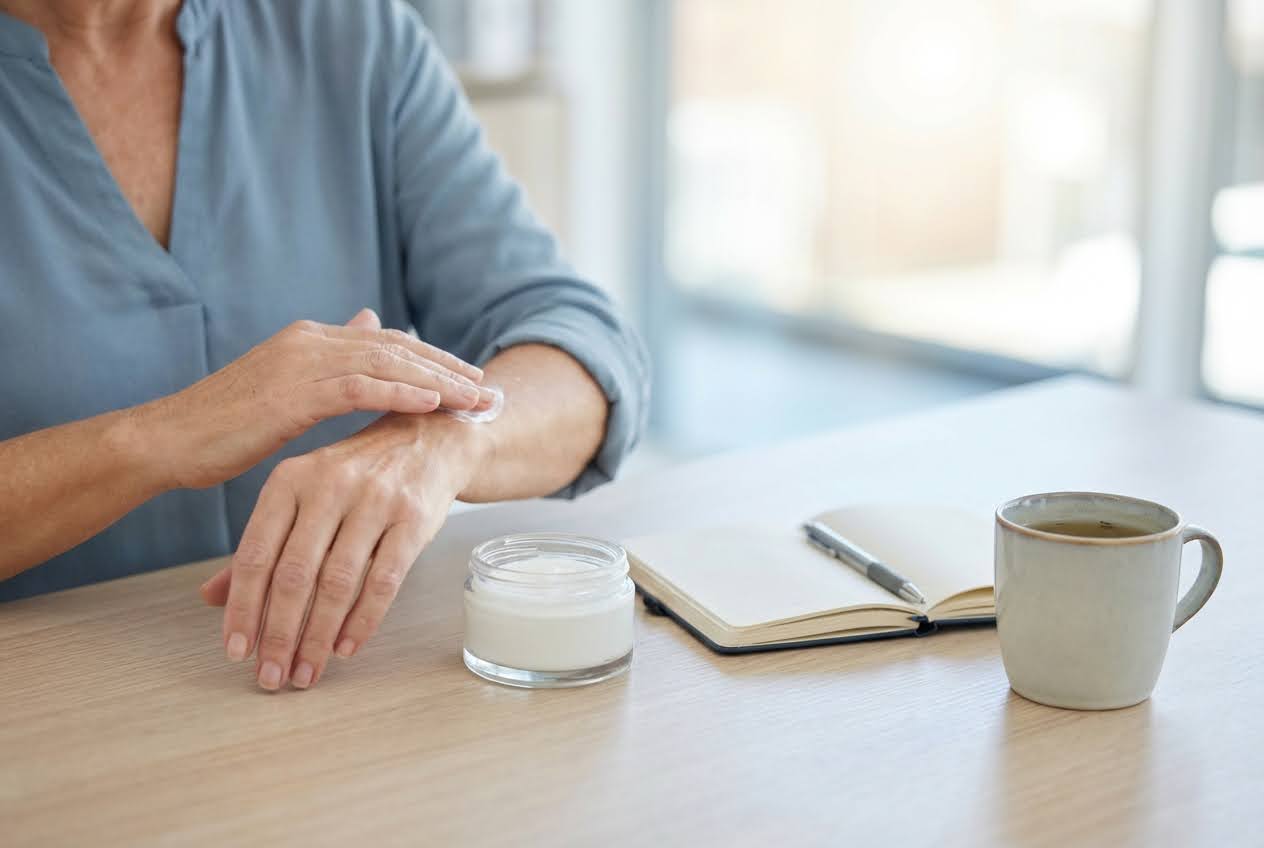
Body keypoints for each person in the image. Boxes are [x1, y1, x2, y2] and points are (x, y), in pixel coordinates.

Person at [0, 0, 649, 692]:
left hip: (350, 698)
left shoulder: (350, 33)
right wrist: (160, 436)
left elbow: (584, 347)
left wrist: (448, 443)